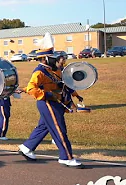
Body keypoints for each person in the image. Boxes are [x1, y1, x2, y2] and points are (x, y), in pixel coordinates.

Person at [18, 33, 84, 168]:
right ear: (46, 59)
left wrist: (71, 97)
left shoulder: (56, 70)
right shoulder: (39, 72)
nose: (56, 60)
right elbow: (32, 88)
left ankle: (26, 147)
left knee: (44, 127)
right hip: (47, 103)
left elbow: (63, 84)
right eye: (52, 58)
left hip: (55, 102)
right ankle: (66, 157)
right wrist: (48, 95)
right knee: (59, 129)